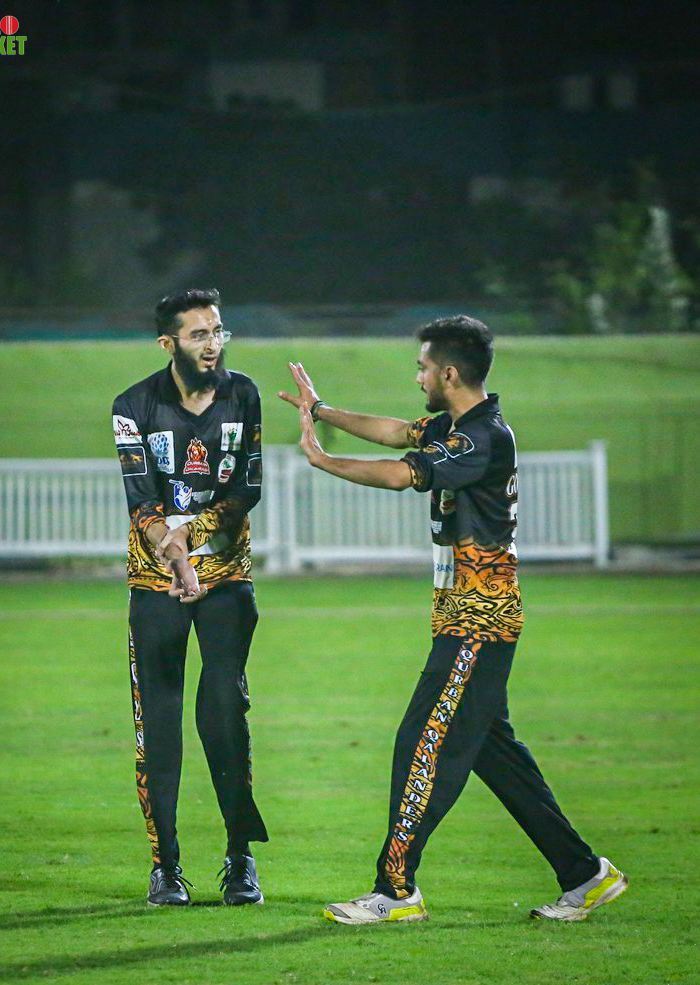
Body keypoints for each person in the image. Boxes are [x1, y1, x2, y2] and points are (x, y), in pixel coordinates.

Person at [278, 315, 629, 925]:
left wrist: (323, 459)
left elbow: (403, 473)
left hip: (479, 622)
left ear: (448, 373)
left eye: (421, 368)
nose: (416, 378)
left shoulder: (484, 438)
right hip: (463, 617)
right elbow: (397, 433)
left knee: (422, 741)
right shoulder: (455, 427)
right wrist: (322, 410)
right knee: (494, 753)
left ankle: (396, 891)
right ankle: (584, 873)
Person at [113, 288, 267, 907]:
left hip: (226, 579)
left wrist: (193, 537)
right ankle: (166, 866)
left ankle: (240, 859)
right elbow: (141, 501)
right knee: (158, 723)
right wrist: (172, 553)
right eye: (200, 334)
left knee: (225, 712)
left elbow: (247, 489)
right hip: (155, 583)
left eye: (218, 331)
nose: (213, 344)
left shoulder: (243, 395)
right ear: (167, 343)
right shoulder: (132, 406)